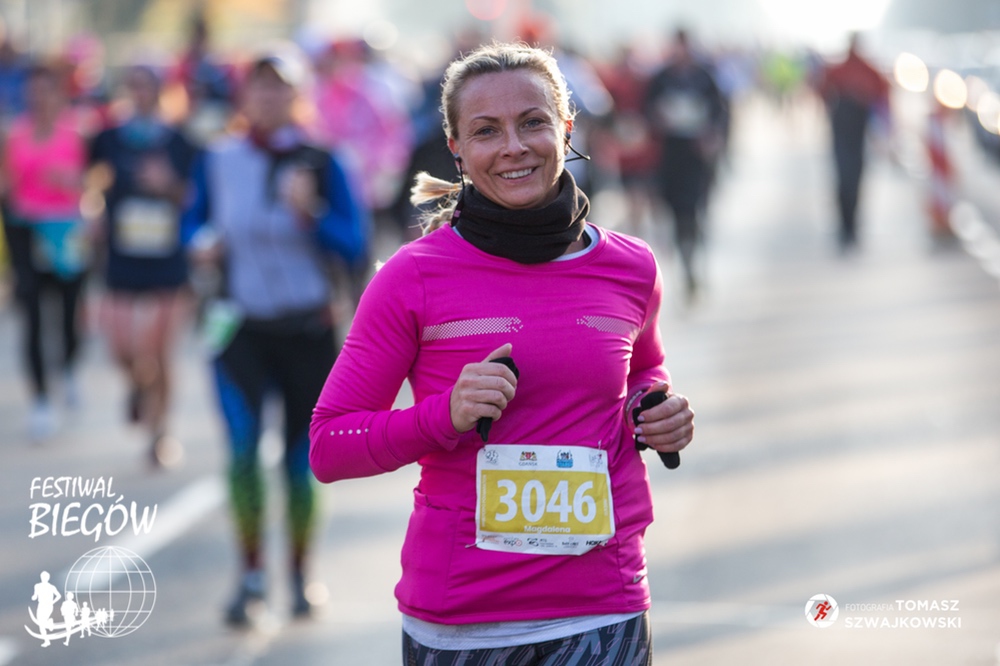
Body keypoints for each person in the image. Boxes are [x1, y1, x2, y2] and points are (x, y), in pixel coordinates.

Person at [310, 42, 694, 665]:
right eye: (486, 131)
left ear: (566, 127)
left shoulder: (631, 266)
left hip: (605, 604)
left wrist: (654, 408)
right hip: (465, 619)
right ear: (456, 148)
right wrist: (444, 415)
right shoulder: (413, 277)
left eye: (533, 122)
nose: (513, 146)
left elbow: (643, 368)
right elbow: (330, 445)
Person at [182, 48, 369, 626]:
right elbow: (193, 220)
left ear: (298, 95)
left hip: (308, 328)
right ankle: (250, 576)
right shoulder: (219, 157)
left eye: (280, 87)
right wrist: (199, 242)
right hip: (239, 326)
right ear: (244, 96)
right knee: (242, 451)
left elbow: (355, 244)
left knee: (298, 458)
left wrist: (311, 212)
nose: (268, 97)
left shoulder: (325, 160)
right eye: (259, 86)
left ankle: (301, 574)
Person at [89, 64, 199, 467]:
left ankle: (159, 432)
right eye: (132, 85)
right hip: (123, 256)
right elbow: (91, 181)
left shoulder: (181, 142)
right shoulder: (108, 138)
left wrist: (168, 185)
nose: (138, 93)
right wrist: (92, 213)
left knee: (160, 351)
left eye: (146, 85)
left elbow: (197, 198)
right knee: (122, 349)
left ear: (160, 91)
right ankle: (138, 384)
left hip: (167, 259)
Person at [1, 63, 89, 441]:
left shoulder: (76, 133)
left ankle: (67, 367)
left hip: (66, 229)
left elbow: (92, 181)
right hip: (26, 229)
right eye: (32, 91)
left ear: (58, 94)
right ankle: (40, 399)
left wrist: (72, 181)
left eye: (45, 90)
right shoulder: (15, 135)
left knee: (69, 312)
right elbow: (7, 183)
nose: (38, 98)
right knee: (33, 314)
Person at [643, 28, 726, 301]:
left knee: (695, 210)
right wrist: (660, 117)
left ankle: (695, 257)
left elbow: (720, 111)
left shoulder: (704, 77)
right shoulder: (661, 78)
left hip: (697, 156)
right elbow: (647, 110)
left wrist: (713, 136)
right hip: (671, 155)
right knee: (677, 213)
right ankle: (686, 261)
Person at [817, 33, 890, 253]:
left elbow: (883, 94)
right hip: (844, 131)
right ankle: (846, 227)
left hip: (855, 131)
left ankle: (850, 228)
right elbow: (822, 90)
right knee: (847, 178)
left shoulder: (865, 69)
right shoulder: (841, 69)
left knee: (850, 177)